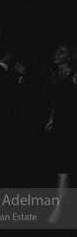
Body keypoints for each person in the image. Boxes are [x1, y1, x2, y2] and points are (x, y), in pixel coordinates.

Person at [44, 43, 77, 223]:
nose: (56, 53)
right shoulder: (55, 75)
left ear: (69, 56)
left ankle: (58, 209)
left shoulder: (74, 75)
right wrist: (51, 119)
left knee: (63, 169)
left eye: (62, 52)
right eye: (56, 50)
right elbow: (56, 102)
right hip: (59, 126)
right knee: (60, 167)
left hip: (72, 127)